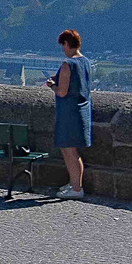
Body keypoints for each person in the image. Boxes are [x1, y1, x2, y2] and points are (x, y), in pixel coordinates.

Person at [45, 28, 93, 199]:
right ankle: (74, 184)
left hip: (69, 113)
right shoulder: (86, 62)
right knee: (70, 151)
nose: (62, 49)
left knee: (70, 151)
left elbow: (62, 92)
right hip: (82, 110)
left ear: (66, 44)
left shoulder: (68, 64)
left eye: (63, 45)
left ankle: (76, 188)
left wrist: (51, 85)